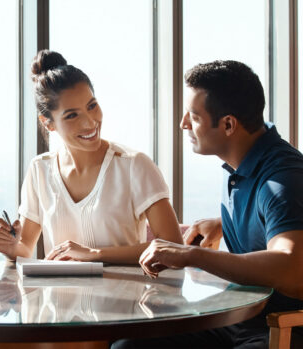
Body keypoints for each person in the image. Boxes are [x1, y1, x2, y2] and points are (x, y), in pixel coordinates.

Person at [118, 60, 303, 348]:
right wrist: (222, 224)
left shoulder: (282, 178)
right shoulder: (241, 166)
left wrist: (192, 255)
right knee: (130, 345)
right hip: (238, 317)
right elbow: (276, 218)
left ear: (228, 124)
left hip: (279, 328)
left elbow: (293, 269)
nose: (183, 124)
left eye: (193, 116)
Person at [0, 50, 183, 264]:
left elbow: (173, 245)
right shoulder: (40, 170)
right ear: (48, 123)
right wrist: (11, 247)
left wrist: (95, 254)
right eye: (72, 115)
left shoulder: (134, 165)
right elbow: (26, 248)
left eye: (92, 106)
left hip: (123, 287)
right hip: (57, 287)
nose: (90, 122)